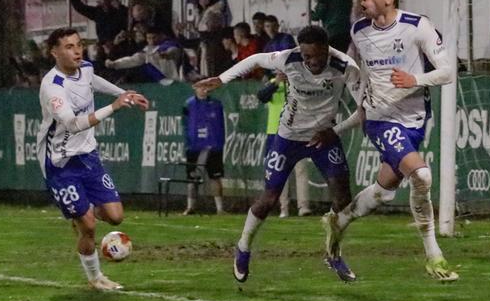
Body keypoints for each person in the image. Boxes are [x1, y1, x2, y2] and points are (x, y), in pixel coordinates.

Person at [194, 25, 361, 284]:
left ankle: (333, 253)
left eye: (316, 56)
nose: (311, 62)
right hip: (288, 138)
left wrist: (335, 131)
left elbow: (363, 110)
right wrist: (222, 78)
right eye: (306, 57)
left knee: (343, 200)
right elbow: (255, 59)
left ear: (327, 50)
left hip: (324, 138)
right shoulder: (289, 58)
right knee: (269, 199)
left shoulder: (346, 67)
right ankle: (244, 246)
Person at [322, 0, 459, 282]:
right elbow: (358, 70)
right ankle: (434, 257)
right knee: (421, 175)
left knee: (384, 193)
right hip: (380, 118)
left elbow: (448, 72)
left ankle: (337, 223)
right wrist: (360, 102)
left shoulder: (416, 26)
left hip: (414, 120)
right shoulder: (358, 30)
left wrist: (415, 80)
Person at [36, 27, 149, 291]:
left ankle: (80, 210)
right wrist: (114, 106)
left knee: (116, 216)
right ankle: (96, 278)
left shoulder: (84, 68)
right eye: (68, 47)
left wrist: (124, 93)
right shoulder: (52, 87)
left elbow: (93, 80)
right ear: (54, 52)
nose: (76, 51)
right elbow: (74, 124)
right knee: (88, 225)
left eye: (78, 45)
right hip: (60, 162)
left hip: (87, 156)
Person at [256, 71, 312, 218]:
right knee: (280, 170)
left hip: (297, 131)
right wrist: (276, 82)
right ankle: (283, 207)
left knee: (301, 169)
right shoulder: (273, 83)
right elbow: (262, 96)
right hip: (276, 132)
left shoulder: (298, 82)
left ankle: (303, 206)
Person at [182, 85, 225, 216]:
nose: (204, 90)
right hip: (194, 147)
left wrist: (219, 142)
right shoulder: (189, 104)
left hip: (213, 146)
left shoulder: (216, 104)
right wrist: (188, 142)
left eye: (206, 87)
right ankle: (190, 207)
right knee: (192, 178)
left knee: (215, 177)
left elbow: (221, 125)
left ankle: (220, 209)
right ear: (195, 88)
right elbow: (184, 124)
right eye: (201, 87)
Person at [107, 27, 189, 84]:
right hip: (159, 82)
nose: (152, 40)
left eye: (154, 37)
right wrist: (115, 64)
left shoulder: (169, 45)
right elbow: (133, 60)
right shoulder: (147, 50)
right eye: (149, 38)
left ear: (162, 36)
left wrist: (167, 55)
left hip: (174, 80)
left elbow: (174, 51)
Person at [65, 0, 129, 50]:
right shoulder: (97, 12)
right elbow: (80, 8)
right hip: (103, 46)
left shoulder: (119, 11)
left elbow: (127, 19)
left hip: (119, 45)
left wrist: (120, 7)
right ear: (99, 0)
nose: (105, 0)